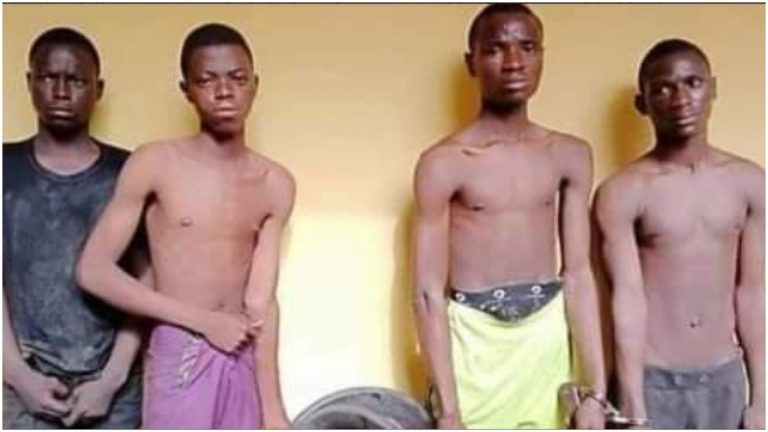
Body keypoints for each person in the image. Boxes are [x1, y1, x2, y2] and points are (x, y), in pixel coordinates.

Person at [76, 23, 294, 429]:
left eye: (237, 78)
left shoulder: (275, 183)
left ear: (255, 85)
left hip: (241, 351)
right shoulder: (155, 163)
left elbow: (263, 303)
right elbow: (94, 271)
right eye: (207, 80)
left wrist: (273, 409)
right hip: (179, 350)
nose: (224, 91)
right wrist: (204, 322)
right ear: (187, 90)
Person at [412, 3, 606, 429]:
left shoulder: (570, 155)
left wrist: (595, 392)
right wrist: (448, 410)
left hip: (545, 342)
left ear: (542, 56)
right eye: (496, 49)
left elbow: (578, 275)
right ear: (472, 63)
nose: (514, 62)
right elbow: (427, 292)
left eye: (527, 47)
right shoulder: (444, 162)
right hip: (473, 346)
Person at [595, 39, 764, 429]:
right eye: (663, 89)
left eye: (692, 83)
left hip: (726, 380)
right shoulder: (622, 191)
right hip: (654, 383)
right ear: (642, 104)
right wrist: (634, 404)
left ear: (713, 88)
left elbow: (753, 293)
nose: (681, 99)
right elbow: (625, 299)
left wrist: (762, 398)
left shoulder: (750, 183)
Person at [3, 27, 145, 428]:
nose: (62, 91)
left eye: (77, 80)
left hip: (115, 388)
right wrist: (17, 374)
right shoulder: (4, 168)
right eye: (49, 77)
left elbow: (146, 280)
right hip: (23, 381)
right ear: (29, 82)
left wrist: (111, 379)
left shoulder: (128, 171)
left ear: (98, 89)